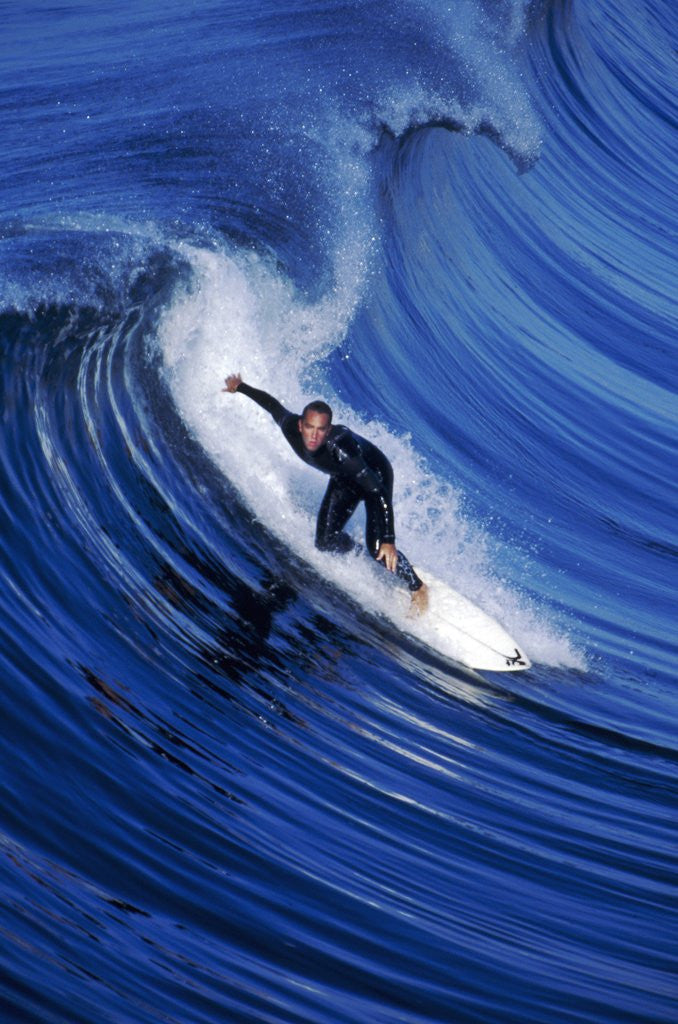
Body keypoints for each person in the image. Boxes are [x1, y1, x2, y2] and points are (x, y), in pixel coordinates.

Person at [222, 374, 428, 614]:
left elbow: (377, 492)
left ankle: (418, 587)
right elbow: (272, 405)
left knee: (377, 546)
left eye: (321, 430)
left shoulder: (342, 451)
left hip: (374, 475)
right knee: (325, 542)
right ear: (300, 425)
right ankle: (365, 556)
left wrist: (389, 540)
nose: (313, 436)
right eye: (309, 427)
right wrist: (241, 387)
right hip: (344, 477)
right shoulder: (290, 426)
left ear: (328, 430)